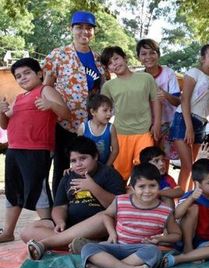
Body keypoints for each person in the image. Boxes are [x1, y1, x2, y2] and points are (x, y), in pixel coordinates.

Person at [0, 58, 70, 243]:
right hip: (14, 149)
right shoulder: (19, 98)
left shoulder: (46, 90)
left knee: (38, 189)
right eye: (18, 76)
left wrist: (50, 105)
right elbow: (5, 125)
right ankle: (8, 232)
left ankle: (50, 230)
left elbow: (65, 113)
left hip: (36, 149)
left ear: (39, 73)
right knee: (13, 191)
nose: (22, 78)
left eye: (27, 73)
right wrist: (1, 112)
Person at [23, 136, 125, 258]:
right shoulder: (68, 176)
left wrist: (93, 187)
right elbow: (59, 206)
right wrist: (60, 221)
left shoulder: (109, 174)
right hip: (71, 226)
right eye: (74, 161)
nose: (78, 164)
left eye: (83, 158)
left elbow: (119, 207)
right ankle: (88, 245)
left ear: (95, 156)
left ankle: (49, 243)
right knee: (27, 232)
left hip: (99, 227)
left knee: (104, 218)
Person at [43, 10, 109, 195]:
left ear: (93, 32)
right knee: (62, 168)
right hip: (63, 123)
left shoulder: (98, 60)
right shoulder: (59, 55)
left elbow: (104, 90)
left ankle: (84, 207)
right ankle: (58, 210)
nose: (84, 32)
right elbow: (45, 87)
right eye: (79, 27)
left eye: (89, 28)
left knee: (90, 167)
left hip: (90, 125)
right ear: (71, 29)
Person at [80, 163, 181, 268]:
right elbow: (107, 215)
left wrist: (160, 239)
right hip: (117, 246)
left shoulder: (165, 211)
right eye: (141, 186)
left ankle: (105, 267)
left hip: (140, 251)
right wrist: (112, 233)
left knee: (154, 252)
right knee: (88, 248)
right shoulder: (121, 201)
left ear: (159, 187)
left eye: (152, 185)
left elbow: (176, 234)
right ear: (132, 188)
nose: (147, 191)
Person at [100, 46, 161, 180]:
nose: (114, 63)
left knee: (145, 172)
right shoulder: (108, 86)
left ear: (125, 58)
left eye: (116, 58)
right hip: (121, 133)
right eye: (110, 63)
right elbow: (103, 110)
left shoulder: (146, 78)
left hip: (145, 132)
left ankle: (142, 199)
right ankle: (121, 200)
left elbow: (155, 100)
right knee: (121, 175)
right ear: (108, 68)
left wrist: (156, 123)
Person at [170, 44, 209, 190]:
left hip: (202, 122)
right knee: (187, 165)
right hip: (185, 120)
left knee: (195, 167)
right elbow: (184, 99)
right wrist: (189, 127)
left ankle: (191, 198)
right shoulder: (194, 72)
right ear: (203, 58)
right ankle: (179, 201)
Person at [162, 159, 209, 268]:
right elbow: (176, 215)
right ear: (198, 184)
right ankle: (189, 249)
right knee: (193, 208)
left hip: (203, 243)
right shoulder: (191, 196)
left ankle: (180, 259)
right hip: (186, 239)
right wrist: (191, 198)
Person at [136, 38, 181, 163]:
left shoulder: (168, 73)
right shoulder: (138, 77)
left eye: (152, 53)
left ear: (158, 54)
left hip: (167, 123)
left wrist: (165, 95)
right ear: (138, 57)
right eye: (144, 54)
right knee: (147, 158)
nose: (148, 57)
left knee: (163, 158)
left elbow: (177, 101)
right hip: (146, 125)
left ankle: (164, 182)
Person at [78, 94, 118, 165]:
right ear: (93, 112)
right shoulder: (83, 128)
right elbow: (78, 150)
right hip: (87, 167)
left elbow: (115, 150)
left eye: (110, 110)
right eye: (105, 110)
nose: (109, 114)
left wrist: (106, 167)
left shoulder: (111, 128)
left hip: (105, 166)